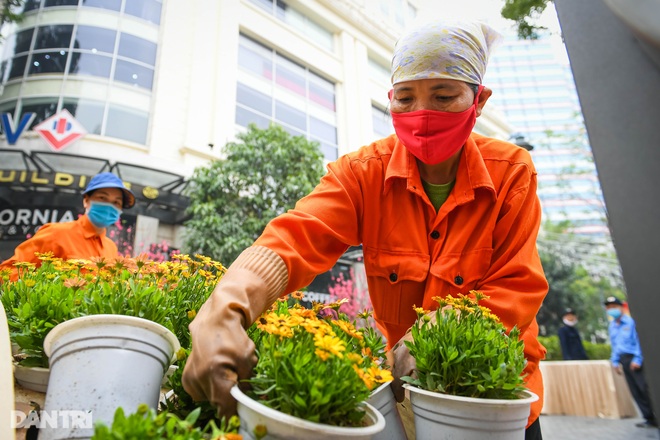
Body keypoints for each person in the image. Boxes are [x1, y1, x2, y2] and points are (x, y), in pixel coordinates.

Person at [182, 20, 548, 438]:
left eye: (443, 96)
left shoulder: (511, 172)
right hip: (403, 395)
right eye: (405, 98)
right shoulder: (361, 173)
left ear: (478, 100)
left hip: (493, 399)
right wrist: (225, 308)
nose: (420, 114)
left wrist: (434, 331)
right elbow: (295, 237)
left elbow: (517, 285)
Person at [0, 172, 135, 279]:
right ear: (86, 201)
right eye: (102, 198)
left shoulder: (110, 247)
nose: (109, 206)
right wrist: (47, 283)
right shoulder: (56, 233)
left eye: (116, 202)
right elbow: (6, 272)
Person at [604, 296, 657, 428]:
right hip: (623, 360)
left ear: (621, 307)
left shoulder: (630, 322)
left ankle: (656, 416)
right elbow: (615, 345)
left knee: (644, 389)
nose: (612, 310)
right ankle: (648, 418)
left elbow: (639, 341)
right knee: (635, 391)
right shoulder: (612, 326)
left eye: (614, 307)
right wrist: (615, 362)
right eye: (609, 308)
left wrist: (637, 359)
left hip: (634, 359)